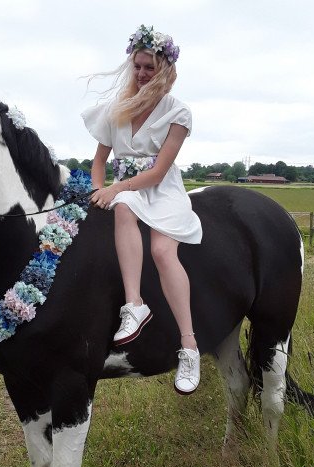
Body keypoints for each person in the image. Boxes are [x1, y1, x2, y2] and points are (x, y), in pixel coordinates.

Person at [81, 25, 203, 394]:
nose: (142, 74)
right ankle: (134, 305)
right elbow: (99, 162)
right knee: (121, 207)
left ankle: (189, 346)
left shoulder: (177, 112)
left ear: (163, 68)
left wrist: (117, 188)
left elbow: (158, 171)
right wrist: (98, 189)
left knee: (164, 252)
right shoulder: (116, 110)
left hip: (161, 190)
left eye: (149, 67)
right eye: (137, 66)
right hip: (126, 192)